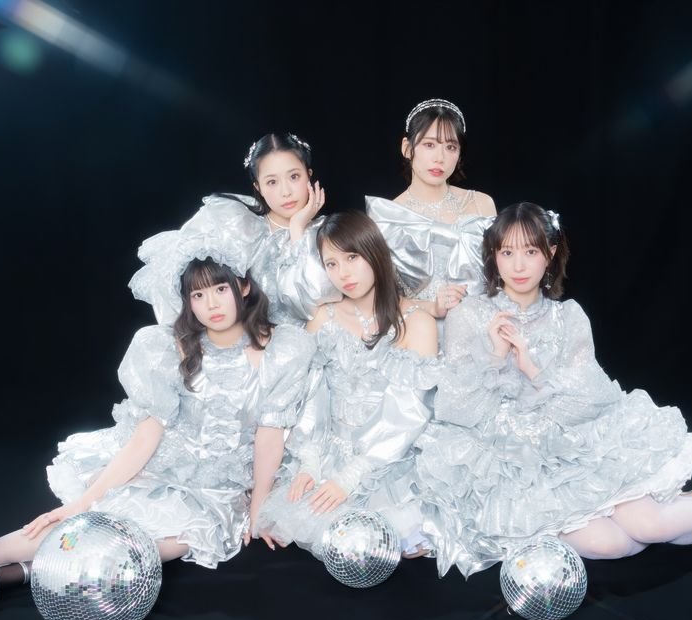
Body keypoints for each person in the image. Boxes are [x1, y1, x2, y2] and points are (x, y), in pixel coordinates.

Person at [0, 226, 316, 615]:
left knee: (156, 545)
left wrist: (259, 505)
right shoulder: (170, 348)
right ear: (186, 302)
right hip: (167, 464)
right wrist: (84, 500)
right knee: (96, 516)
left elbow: (269, 435)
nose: (211, 304)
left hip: (222, 486)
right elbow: (147, 436)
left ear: (243, 286)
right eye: (197, 296)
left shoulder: (281, 349)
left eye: (220, 289)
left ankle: (32, 569)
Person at [415, 202, 692, 578]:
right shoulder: (471, 315)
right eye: (507, 252)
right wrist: (494, 358)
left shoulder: (569, 318)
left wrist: (534, 370)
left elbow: (591, 401)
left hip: (574, 448)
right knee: (614, 546)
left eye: (531, 251)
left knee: (648, 525)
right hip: (509, 463)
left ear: (551, 253)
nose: (518, 265)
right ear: (493, 255)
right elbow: (454, 406)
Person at [258, 210, 439, 558]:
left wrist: (352, 475)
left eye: (352, 257)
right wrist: (310, 461)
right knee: (305, 526)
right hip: (329, 451)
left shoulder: (417, 322)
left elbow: (410, 412)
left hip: (390, 458)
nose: (343, 273)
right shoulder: (322, 317)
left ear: (374, 252)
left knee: (392, 542)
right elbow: (311, 396)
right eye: (332, 263)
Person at [176, 132, 336, 325]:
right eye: (272, 182)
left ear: (308, 175)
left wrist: (297, 228)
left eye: (294, 177)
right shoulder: (241, 229)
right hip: (254, 338)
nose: (286, 191)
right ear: (258, 187)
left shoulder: (331, 232)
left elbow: (319, 302)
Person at [366, 98, 498, 322]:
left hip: (481, 325)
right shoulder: (386, 216)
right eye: (429, 145)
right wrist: (433, 308)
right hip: (419, 328)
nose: (440, 158)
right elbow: (381, 298)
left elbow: (500, 276)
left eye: (451, 147)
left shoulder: (481, 203)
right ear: (407, 148)